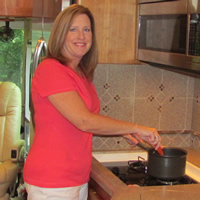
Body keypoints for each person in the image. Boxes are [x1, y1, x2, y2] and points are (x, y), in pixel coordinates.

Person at [23, 4, 162, 200]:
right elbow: (84, 121)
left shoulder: (80, 73)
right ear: (61, 33)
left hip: (76, 178)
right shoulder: (51, 69)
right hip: (52, 181)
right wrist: (137, 127)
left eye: (86, 29)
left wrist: (123, 130)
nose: (81, 36)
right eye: (73, 29)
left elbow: (87, 120)